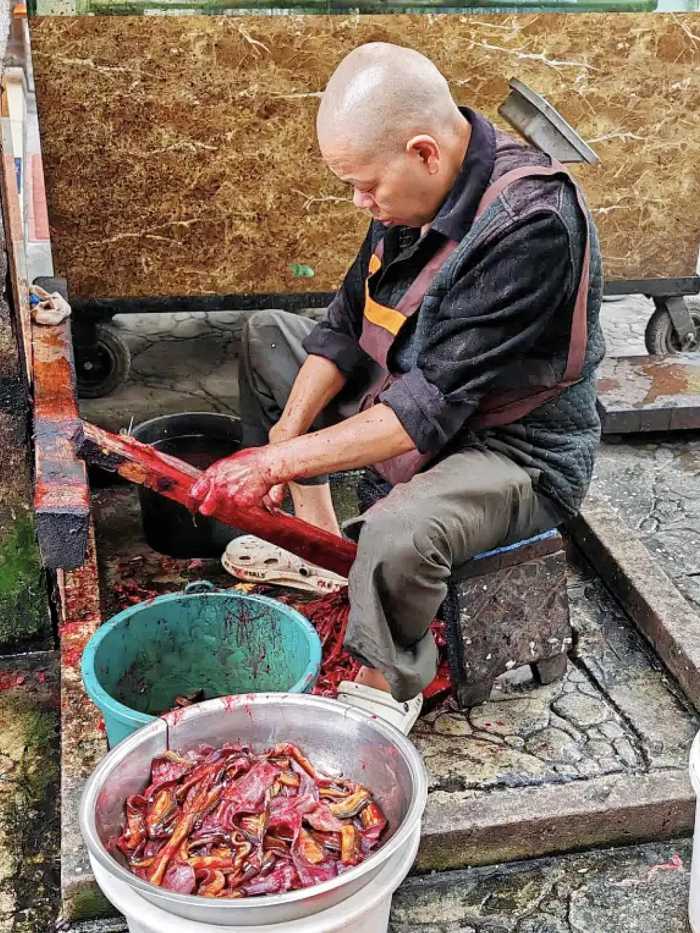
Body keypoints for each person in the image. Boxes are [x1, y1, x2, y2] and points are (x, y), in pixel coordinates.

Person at [191, 41, 605, 734]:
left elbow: (423, 411)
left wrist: (271, 463)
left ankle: (387, 680)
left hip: (515, 453)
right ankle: (321, 550)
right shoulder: (406, 201)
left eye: (366, 186)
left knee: (399, 529)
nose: (361, 204)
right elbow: (348, 322)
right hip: (415, 389)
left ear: (424, 152)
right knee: (268, 334)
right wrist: (286, 434)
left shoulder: (530, 224)